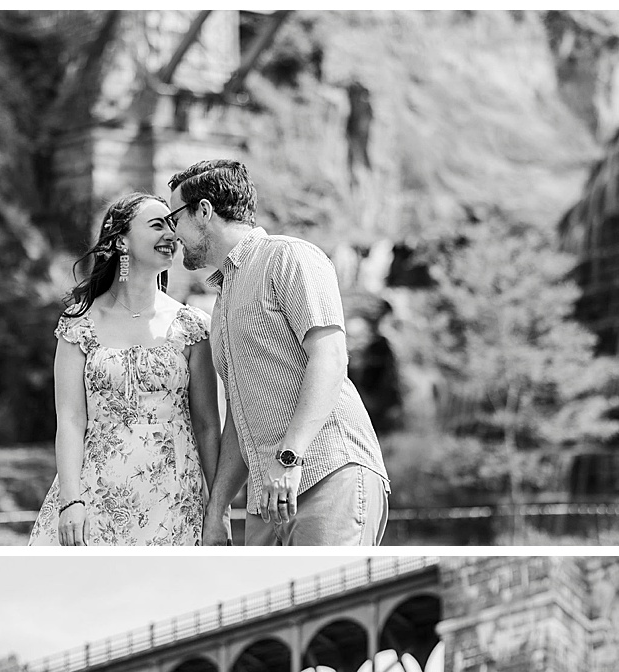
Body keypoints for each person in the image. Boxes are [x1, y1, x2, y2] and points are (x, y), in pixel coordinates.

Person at [163, 159, 390, 547]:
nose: (172, 233)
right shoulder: (220, 304)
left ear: (203, 211)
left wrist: (289, 459)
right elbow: (241, 415)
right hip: (265, 498)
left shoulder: (289, 257)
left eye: (174, 218)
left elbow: (331, 358)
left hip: (326, 472)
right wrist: (217, 508)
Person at [31, 192, 220, 546]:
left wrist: (218, 509)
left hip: (176, 496)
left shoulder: (192, 326)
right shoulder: (78, 326)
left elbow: (208, 425)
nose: (171, 234)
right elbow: (70, 421)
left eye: (173, 225)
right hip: (94, 494)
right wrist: (70, 500)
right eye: (156, 225)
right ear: (120, 240)